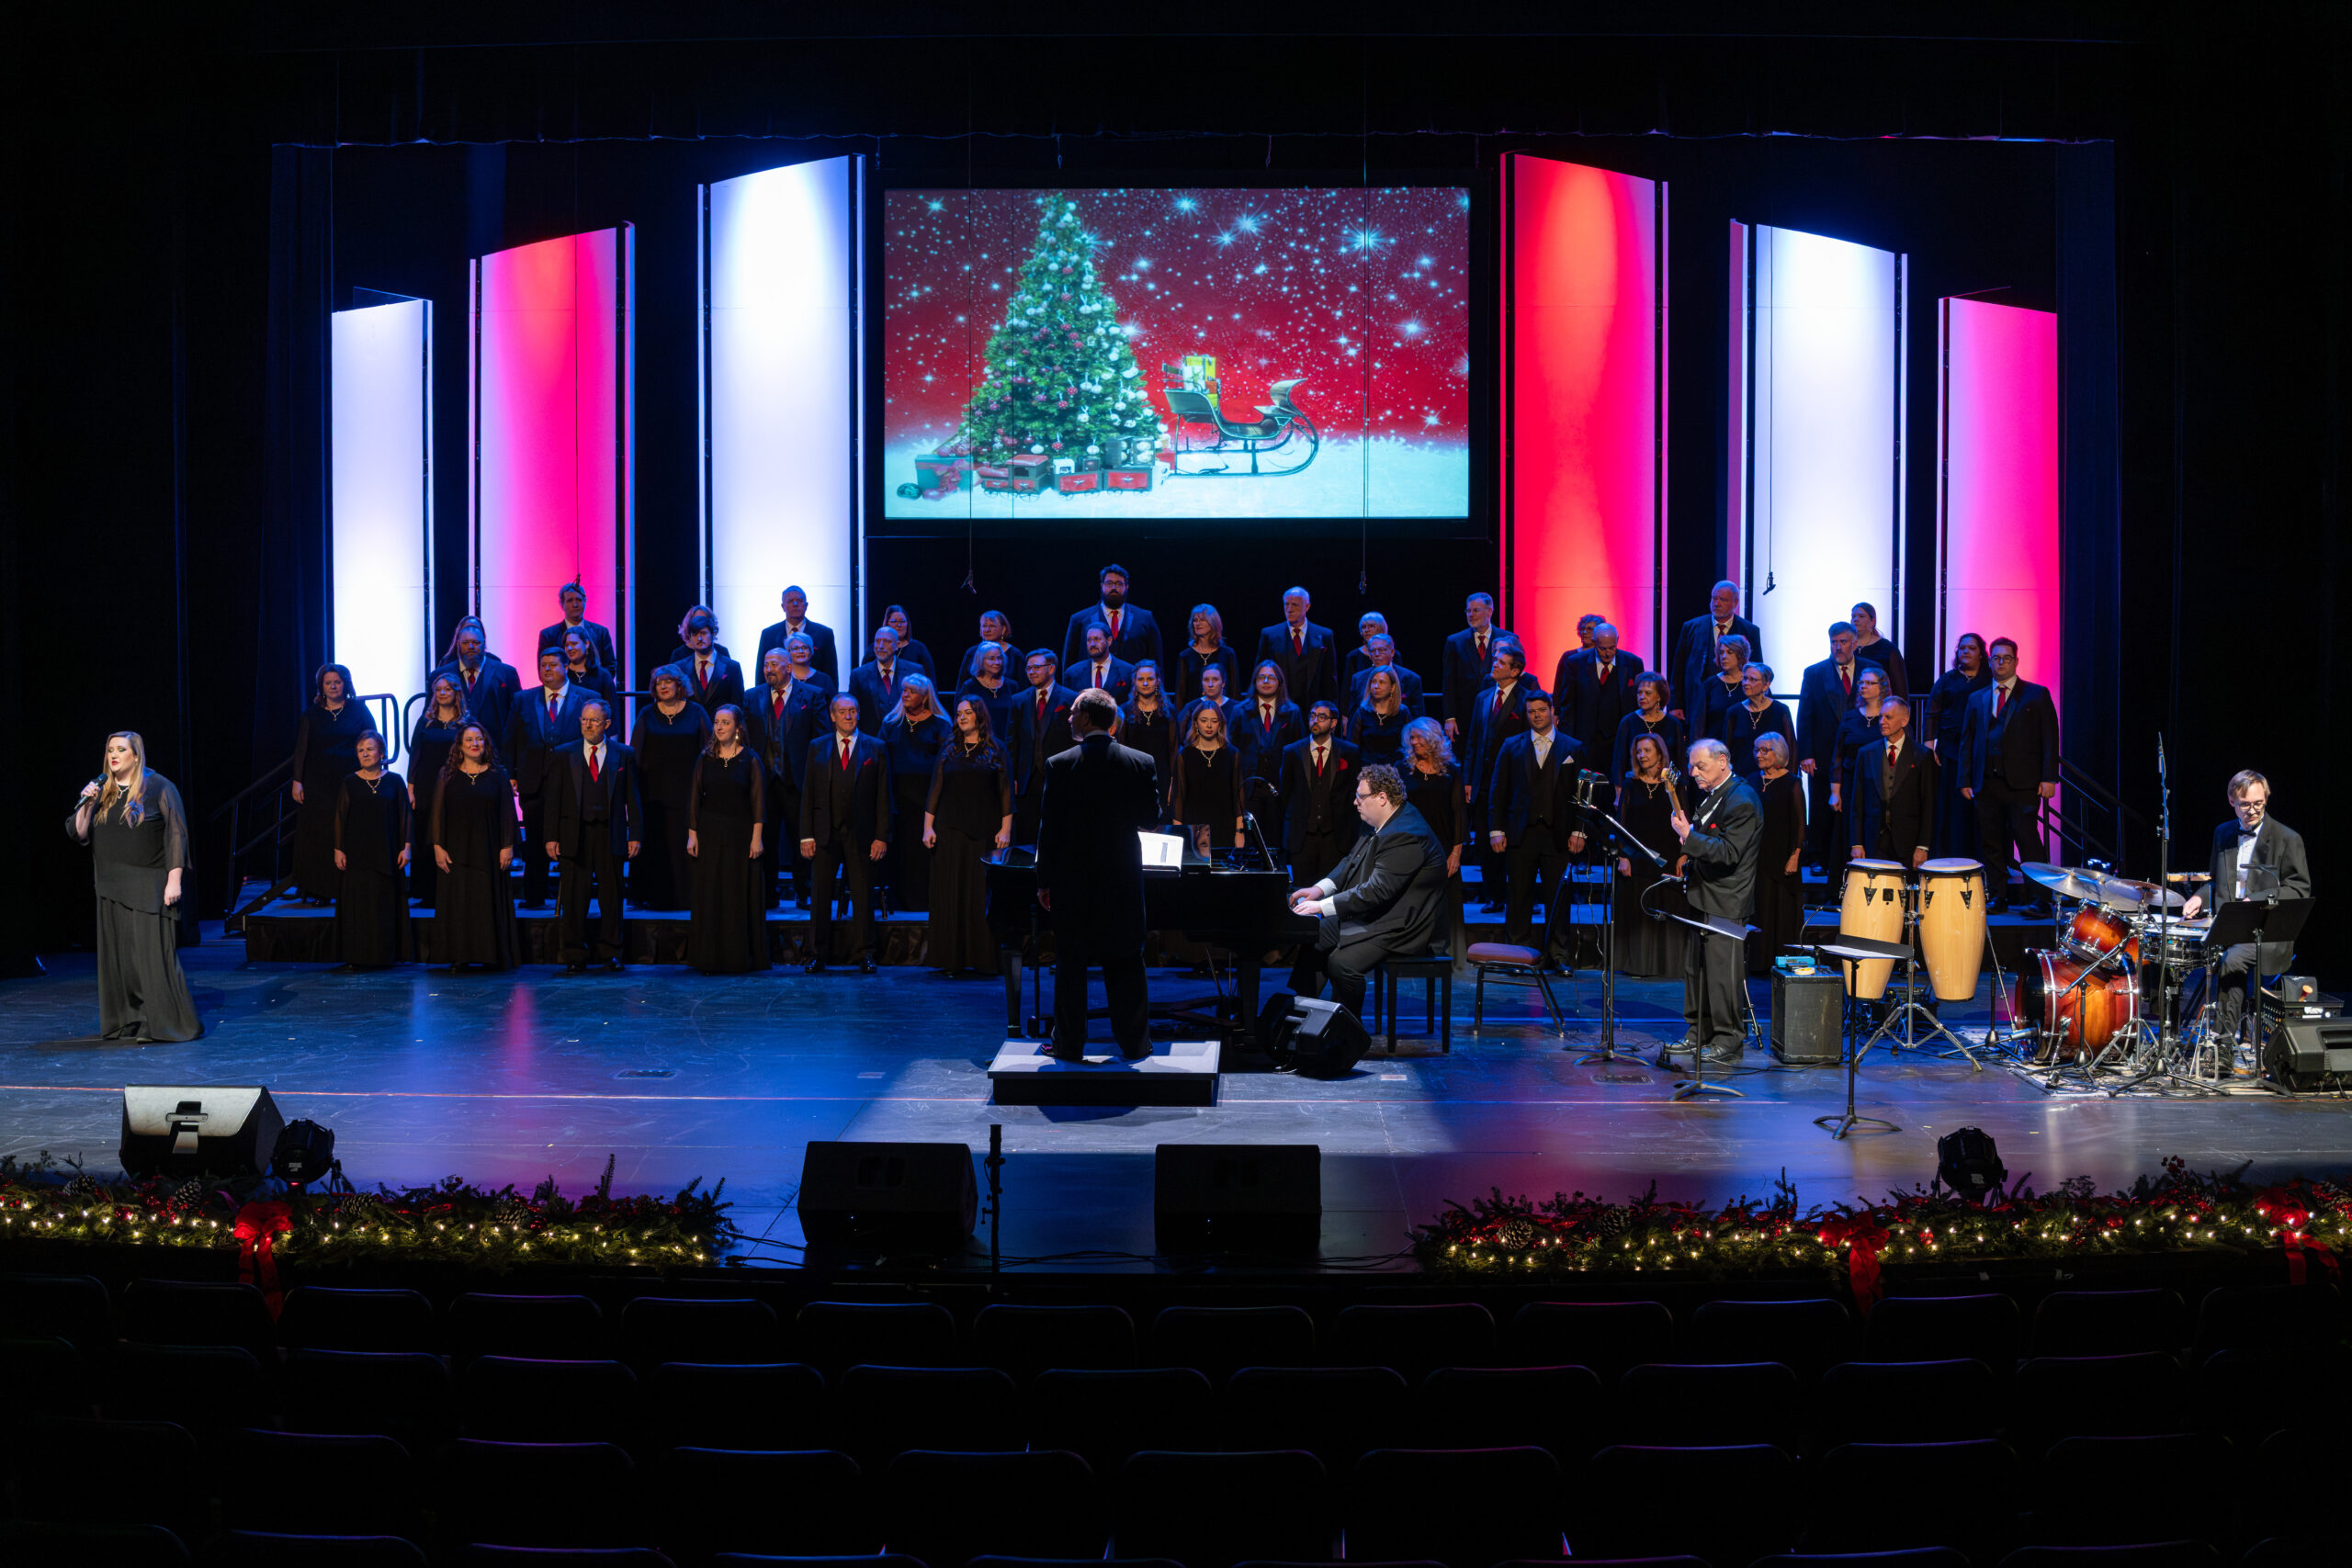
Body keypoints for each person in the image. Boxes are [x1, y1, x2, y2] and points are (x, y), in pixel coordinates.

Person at [1035, 688, 1162, 1059]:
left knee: (1070, 965)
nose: (1069, 717)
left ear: (1087, 718)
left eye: (1073, 712)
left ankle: (1068, 1045)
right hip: (1121, 880)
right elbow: (1150, 819)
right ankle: (1135, 1044)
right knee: (1127, 961)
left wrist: (1044, 881)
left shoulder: (1060, 764)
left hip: (1072, 881)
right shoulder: (1141, 762)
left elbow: (1049, 829)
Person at [1285, 763, 1450, 1015]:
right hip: (1380, 913)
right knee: (1315, 935)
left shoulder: (1406, 834)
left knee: (1341, 964)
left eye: (1360, 796)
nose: (1355, 802)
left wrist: (1321, 907)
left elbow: (1376, 891)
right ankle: (1300, 1011)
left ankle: (1347, 1028)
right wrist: (1319, 890)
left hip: (1403, 926)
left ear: (1382, 798)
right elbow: (1350, 861)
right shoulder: (1381, 822)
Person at [69, 732, 200, 1041]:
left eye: (121, 749)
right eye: (110, 750)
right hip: (109, 886)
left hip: (148, 886)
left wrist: (174, 880)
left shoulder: (159, 787)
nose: (114, 755)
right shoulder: (102, 790)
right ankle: (128, 1019)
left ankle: (167, 1024)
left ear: (136, 755)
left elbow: (177, 834)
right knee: (121, 962)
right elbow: (79, 832)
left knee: (151, 959)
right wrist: (88, 803)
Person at [2181, 770, 2312, 1049]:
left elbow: (2299, 889)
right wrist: (2200, 898)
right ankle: (2173, 1033)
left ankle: (2223, 1046)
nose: (2252, 810)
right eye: (2245, 804)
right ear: (2232, 801)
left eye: (2258, 804)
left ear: (2266, 799)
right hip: (2230, 926)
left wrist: (2258, 899)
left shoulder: (2287, 838)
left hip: (2267, 931)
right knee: (2178, 951)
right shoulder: (2223, 833)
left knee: (2233, 959)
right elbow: (2217, 882)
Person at [1668, 739, 1762, 1066]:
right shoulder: (1713, 794)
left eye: (1701, 766)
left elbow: (1729, 852)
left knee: (1722, 976)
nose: (1694, 772)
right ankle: (1698, 1032)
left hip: (1726, 899)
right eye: (1692, 767)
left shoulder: (1742, 800)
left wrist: (1688, 836)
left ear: (1723, 761)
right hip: (1703, 893)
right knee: (1696, 970)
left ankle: (1728, 1039)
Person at [1956, 637, 2058, 910]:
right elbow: (1967, 740)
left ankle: (2040, 898)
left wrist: (2049, 777)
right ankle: (1997, 896)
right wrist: (1965, 779)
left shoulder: (2036, 694)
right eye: (1996, 658)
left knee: (2027, 838)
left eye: (2007, 658)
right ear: (1989, 661)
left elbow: (2049, 738)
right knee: (1991, 842)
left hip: (2022, 783)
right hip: (1986, 781)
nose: (2001, 662)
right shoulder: (1977, 698)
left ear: (2016, 661)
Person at [1487, 691, 1589, 961]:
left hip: (1559, 834)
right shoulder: (1512, 745)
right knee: (1519, 896)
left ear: (1552, 711)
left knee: (1559, 897)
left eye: (1542, 710)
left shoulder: (1573, 747)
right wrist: (1496, 830)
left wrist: (1579, 830)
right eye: (1532, 711)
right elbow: (1498, 790)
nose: (1537, 716)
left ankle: (1560, 954)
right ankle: (1517, 954)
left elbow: (1583, 794)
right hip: (1521, 833)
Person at [546, 699, 643, 973]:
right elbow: (553, 799)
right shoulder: (564, 753)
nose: (587, 725)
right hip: (574, 833)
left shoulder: (623, 754)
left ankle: (611, 952)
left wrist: (635, 834)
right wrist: (551, 836)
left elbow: (633, 798)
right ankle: (574, 954)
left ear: (607, 724)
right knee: (574, 896)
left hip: (610, 833)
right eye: (584, 720)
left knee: (611, 896)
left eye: (594, 721)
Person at [800, 695, 890, 974]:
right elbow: (808, 794)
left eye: (852, 711)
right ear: (832, 716)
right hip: (825, 832)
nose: (848, 716)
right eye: (842, 712)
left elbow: (884, 797)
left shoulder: (876, 747)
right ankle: (816, 954)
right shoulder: (817, 747)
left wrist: (881, 836)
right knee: (821, 895)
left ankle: (865, 953)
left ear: (858, 714)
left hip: (861, 834)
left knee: (862, 895)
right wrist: (806, 835)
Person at [925, 696, 1014, 976]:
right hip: (949, 829)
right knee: (951, 892)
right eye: (958, 713)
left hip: (984, 831)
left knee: (979, 893)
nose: (961, 717)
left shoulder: (996, 749)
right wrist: (928, 826)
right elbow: (935, 788)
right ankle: (951, 959)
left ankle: (983, 959)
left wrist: (1005, 829)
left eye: (967, 712)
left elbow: (1006, 792)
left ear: (979, 716)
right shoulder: (949, 748)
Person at [428, 721, 519, 971]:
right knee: (459, 901)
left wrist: (507, 845)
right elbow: (437, 812)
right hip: (456, 850)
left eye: (479, 739)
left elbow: (507, 813)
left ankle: (490, 955)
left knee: (487, 901)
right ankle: (460, 955)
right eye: (468, 740)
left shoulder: (497, 774)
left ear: (486, 743)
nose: (474, 744)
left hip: (489, 849)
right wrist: (437, 846)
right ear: (459, 746)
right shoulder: (447, 774)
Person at [504, 647, 590, 908]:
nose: (547, 669)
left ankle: (572, 897)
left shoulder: (587, 698)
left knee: (572, 838)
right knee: (535, 840)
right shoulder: (523, 699)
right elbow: (510, 738)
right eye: (543, 665)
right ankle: (534, 895)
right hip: (533, 780)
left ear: (566, 667)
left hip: (573, 780)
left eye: (552, 664)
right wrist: (511, 774)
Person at [686, 705, 769, 974]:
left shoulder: (750, 760)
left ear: (737, 728)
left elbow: (758, 802)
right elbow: (695, 798)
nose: (719, 727)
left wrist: (756, 838)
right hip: (710, 833)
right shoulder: (705, 758)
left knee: (736, 892)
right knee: (710, 891)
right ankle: (709, 956)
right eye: (716, 722)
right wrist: (692, 834)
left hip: (740, 834)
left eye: (725, 722)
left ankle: (737, 957)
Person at [1797, 622, 1885, 873]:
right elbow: (1805, 715)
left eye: (1843, 642)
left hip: (1862, 749)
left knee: (1861, 805)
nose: (1837, 647)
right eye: (1834, 642)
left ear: (1855, 643)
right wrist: (1806, 754)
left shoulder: (1872, 669)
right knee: (1821, 804)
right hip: (1824, 751)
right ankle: (1819, 857)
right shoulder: (1814, 672)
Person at [746, 645, 829, 908]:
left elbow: (821, 740)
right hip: (764, 782)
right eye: (765, 665)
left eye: (773, 664)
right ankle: (767, 895)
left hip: (797, 781)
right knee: (766, 840)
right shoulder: (752, 697)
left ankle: (805, 893)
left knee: (801, 839)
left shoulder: (812, 695)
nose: (767, 669)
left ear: (789, 667)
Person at [630, 669, 711, 910]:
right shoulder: (646, 714)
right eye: (658, 683)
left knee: (682, 843)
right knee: (658, 843)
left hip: (687, 791)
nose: (663, 687)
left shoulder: (696, 712)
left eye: (668, 682)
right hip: (653, 794)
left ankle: (687, 897)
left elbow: (708, 750)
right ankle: (656, 898)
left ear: (680, 685)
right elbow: (635, 754)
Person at [1465, 641, 1537, 911]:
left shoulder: (1527, 699)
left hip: (1514, 784)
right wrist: (1469, 780)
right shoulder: (1483, 698)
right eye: (1495, 660)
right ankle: (1494, 895)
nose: (1494, 665)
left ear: (1515, 671)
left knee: (1515, 843)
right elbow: (1473, 741)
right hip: (1484, 782)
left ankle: (1519, 898)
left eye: (1501, 662)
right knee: (1485, 842)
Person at [290, 662, 370, 903]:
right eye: (328, 683)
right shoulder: (312, 714)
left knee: (350, 830)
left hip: (351, 780)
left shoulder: (358, 709)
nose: (333, 686)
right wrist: (297, 781)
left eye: (337, 682)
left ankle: (351, 887)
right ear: (321, 686)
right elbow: (302, 749)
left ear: (345, 684)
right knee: (322, 833)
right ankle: (321, 890)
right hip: (318, 783)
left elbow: (372, 740)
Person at [1613, 733, 1690, 979]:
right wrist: (1622, 856)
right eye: (1638, 751)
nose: (1642, 755)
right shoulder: (1630, 784)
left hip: (1668, 857)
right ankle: (1639, 964)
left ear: (1659, 753)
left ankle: (1667, 965)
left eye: (1647, 750)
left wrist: (1684, 855)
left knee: (1666, 908)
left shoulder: (1674, 784)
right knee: (1639, 910)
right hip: (1637, 858)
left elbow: (1685, 821)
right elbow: (1621, 825)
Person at [334, 732, 413, 967]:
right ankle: (357, 956)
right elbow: (340, 816)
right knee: (358, 904)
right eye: (361, 750)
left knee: (384, 903)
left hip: (387, 852)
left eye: (370, 749)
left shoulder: (394, 781)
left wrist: (406, 847)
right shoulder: (350, 782)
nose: (365, 754)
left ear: (381, 753)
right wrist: (339, 848)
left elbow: (406, 815)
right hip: (357, 853)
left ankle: (384, 955)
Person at [881, 673, 953, 914]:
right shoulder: (891, 722)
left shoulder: (940, 724)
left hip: (927, 799)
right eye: (904, 690)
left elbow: (947, 761)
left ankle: (925, 899)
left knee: (922, 850)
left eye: (911, 692)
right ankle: (898, 900)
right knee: (901, 849)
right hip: (897, 798)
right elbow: (881, 758)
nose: (905, 695)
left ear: (924, 697)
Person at [1401, 717, 1471, 962]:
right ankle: (1412, 953)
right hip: (1411, 846)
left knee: (1446, 901)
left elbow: (1459, 813)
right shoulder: (1402, 769)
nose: (1414, 742)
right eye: (1411, 738)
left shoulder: (1451, 771)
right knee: (1413, 899)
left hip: (1443, 845)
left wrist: (1456, 853)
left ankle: (1446, 956)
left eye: (1419, 737)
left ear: (1432, 739)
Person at [1278, 702, 1363, 889]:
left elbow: (1353, 794)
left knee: (1331, 891)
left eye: (1322, 717)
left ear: (1334, 723)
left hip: (1335, 837)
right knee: (1301, 891)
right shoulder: (1292, 751)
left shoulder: (1349, 752)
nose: (1315, 720)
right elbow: (1285, 795)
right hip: (1302, 837)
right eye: (1312, 715)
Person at [1849, 695, 1936, 871]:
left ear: (1904, 720)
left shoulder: (1922, 755)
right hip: (1874, 842)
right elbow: (1857, 803)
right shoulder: (1866, 754)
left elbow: (1929, 805)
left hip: (1907, 844)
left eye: (1888, 717)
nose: (1882, 721)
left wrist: (1923, 846)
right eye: (1881, 716)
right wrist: (1856, 843)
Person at [1926, 632, 1991, 858]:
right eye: (1962, 648)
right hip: (1950, 750)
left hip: (1981, 751)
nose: (1965, 651)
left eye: (1971, 648)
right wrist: (1929, 744)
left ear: (1981, 653)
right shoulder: (1947, 680)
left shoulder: (1989, 679)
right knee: (1951, 805)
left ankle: (1979, 857)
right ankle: (1949, 855)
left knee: (1979, 806)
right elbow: (1932, 712)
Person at [1747, 734, 1808, 975]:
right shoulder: (1751, 780)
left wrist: (1795, 855)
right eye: (1757, 750)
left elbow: (1800, 822)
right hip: (1757, 855)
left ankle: (1781, 962)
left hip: (1783, 856)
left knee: (1781, 909)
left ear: (1779, 753)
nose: (1759, 754)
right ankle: (1758, 962)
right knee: (1760, 908)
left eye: (1765, 750)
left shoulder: (1792, 782)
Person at [408, 675, 469, 909]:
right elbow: (415, 754)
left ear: (456, 692)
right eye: (438, 690)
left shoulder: (466, 723)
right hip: (425, 786)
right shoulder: (425, 722)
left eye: (447, 689)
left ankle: (451, 890)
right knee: (426, 835)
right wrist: (411, 787)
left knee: (452, 835)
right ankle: (427, 892)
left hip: (455, 787)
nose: (442, 693)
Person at [1668, 581, 1763, 726]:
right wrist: (1675, 704)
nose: (1716, 603)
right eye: (1714, 598)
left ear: (1735, 603)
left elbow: (1757, 669)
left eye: (1722, 600)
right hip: (1698, 704)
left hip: (1736, 703)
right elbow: (1678, 669)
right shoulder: (1691, 627)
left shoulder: (1750, 630)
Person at [1828, 668, 1891, 884]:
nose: (1863, 686)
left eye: (1869, 683)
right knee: (1847, 834)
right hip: (1851, 784)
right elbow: (1838, 755)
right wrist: (1835, 791)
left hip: (1879, 786)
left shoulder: (1888, 718)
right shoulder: (1850, 717)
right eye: (1861, 683)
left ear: (1882, 687)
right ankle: (1843, 888)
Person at [1011, 649, 1078, 845]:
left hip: (1059, 777)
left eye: (1036, 667)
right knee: (1026, 835)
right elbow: (1011, 741)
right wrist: (1012, 776)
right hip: (1026, 779)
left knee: (1058, 832)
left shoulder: (1070, 698)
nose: (1031, 672)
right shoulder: (1018, 700)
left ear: (1051, 668)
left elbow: (1076, 740)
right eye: (1028, 668)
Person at [1231, 661, 1305, 823]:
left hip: (1280, 787)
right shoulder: (1240, 711)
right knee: (1251, 834)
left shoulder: (1292, 712)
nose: (1265, 681)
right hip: (1249, 786)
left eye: (1271, 677)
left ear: (1280, 683)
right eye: (1261, 677)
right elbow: (1231, 749)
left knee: (1275, 833)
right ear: (1254, 682)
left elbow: (1300, 751)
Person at [1561, 622, 1643, 765]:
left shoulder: (1633, 663)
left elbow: (1638, 705)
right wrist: (1567, 743)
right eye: (1602, 648)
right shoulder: (1575, 663)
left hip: (1621, 740)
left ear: (1617, 640)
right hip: (1587, 740)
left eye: (1612, 648)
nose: (1608, 653)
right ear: (1594, 642)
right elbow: (1568, 707)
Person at [1170, 700, 1246, 855]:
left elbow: (1238, 796)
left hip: (1225, 824)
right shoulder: (1184, 755)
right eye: (1204, 720)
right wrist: (1179, 833)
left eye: (1214, 721)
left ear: (1220, 724)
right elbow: (1179, 797)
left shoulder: (1232, 754)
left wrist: (1240, 831)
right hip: (1195, 825)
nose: (1209, 726)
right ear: (1196, 723)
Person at [1060, 563, 1163, 671]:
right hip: (1092, 681)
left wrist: (1157, 683)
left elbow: (1156, 662)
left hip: (1133, 681)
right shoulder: (1080, 619)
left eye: (1119, 584)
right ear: (1101, 585)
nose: (1114, 588)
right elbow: (1068, 665)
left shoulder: (1144, 618)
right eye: (1109, 583)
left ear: (1127, 587)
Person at [433, 617, 521, 743]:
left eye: (475, 642)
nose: (470, 646)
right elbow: (430, 717)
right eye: (465, 642)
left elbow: (517, 716)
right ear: (458, 643)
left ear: (484, 642)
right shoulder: (441, 673)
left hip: (495, 747)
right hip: (452, 747)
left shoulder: (506, 673)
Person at [1441, 593, 1511, 742]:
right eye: (1468, 611)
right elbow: (1449, 682)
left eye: (1476, 610)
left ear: (1489, 611)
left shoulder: (1508, 639)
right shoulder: (1455, 642)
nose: (1471, 615)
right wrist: (1450, 718)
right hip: (1465, 718)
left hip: (1499, 714)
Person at [1255, 586, 1339, 709]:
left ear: (1307, 607)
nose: (1289, 609)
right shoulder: (1270, 635)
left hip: (1313, 709)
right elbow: (1259, 674)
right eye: (1286, 604)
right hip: (1280, 707)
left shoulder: (1324, 635)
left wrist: (1332, 709)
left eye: (1295, 605)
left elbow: (1329, 678)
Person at [1724, 663, 1796, 788]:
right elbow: (1725, 750)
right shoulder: (1734, 712)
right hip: (1741, 782)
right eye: (1745, 678)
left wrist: (1790, 780)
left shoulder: (1781, 710)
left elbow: (1791, 748)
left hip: (1774, 780)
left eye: (1752, 679)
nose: (1746, 683)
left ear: (1766, 685)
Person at [1119, 662, 1177, 818]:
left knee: (1161, 821)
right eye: (1141, 679)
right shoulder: (1125, 710)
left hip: (1162, 777)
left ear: (1158, 681)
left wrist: (1173, 780)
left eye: (1150, 679)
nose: (1145, 683)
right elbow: (1121, 747)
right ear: (1134, 681)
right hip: (1134, 776)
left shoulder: (1168, 711)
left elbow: (1173, 748)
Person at [1611, 672, 1687, 786]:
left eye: (1648, 693)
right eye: (1639, 692)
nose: (1642, 697)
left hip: (1666, 788)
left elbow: (1680, 762)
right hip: (1634, 787)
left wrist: (1681, 790)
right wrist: (1619, 792)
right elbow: (1618, 764)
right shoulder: (1628, 722)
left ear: (1659, 696)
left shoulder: (1673, 724)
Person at [667, 609, 745, 716]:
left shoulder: (732, 667)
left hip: (721, 725)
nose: (699, 638)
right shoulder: (679, 667)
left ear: (713, 634)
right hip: (690, 725)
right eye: (694, 634)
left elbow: (737, 706)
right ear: (689, 637)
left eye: (703, 633)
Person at [757, 585, 840, 686]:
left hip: (816, 692)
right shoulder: (769, 634)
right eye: (790, 601)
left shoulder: (825, 634)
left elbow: (831, 672)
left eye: (799, 600)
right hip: (776, 692)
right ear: (783, 606)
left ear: (806, 605)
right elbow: (761, 673)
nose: (795, 604)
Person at [537, 580, 617, 671]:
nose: (575, 605)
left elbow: (610, 666)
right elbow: (544, 671)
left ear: (585, 601)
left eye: (579, 600)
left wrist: (598, 680)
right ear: (561, 604)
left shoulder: (601, 633)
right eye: (570, 601)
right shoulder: (548, 635)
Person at [560, 627, 622, 740]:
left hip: (595, 739)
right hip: (566, 740)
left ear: (587, 644)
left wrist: (611, 745)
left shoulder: (603, 676)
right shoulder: (563, 676)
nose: (569, 648)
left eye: (574, 643)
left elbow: (613, 713)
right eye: (566, 645)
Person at [849, 625, 910, 737]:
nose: (880, 646)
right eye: (877, 641)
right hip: (872, 741)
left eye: (886, 641)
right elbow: (853, 711)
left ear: (897, 645)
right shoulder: (858, 675)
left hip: (907, 739)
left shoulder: (913, 671)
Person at [1345, 634, 1425, 716]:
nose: (1377, 654)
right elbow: (1353, 715)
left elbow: (1418, 717)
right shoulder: (1358, 679)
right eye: (1373, 651)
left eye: (1381, 650)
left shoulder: (1411, 679)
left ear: (1392, 652)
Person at [1175, 604, 1239, 705]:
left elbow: (1235, 689)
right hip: (1194, 711)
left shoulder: (1227, 654)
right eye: (1195, 620)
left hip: (1222, 711)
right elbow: (1180, 693)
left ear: (1213, 622)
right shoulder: (1186, 656)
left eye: (1202, 620)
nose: (1198, 623)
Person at [1695, 635, 1751, 745]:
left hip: (1745, 747)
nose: (1724, 657)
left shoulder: (1751, 683)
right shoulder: (1710, 684)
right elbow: (1698, 723)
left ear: (1740, 655)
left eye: (1730, 652)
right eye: (1721, 653)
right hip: (1714, 748)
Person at [1350, 668, 1411, 766]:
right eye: (1373, 682)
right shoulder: (1362, 712)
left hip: (1395, 769)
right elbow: (1353, 745)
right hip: (1366, 768)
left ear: (1392, 688)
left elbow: (1408, 745)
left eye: (1382, 682)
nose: (1376, 686)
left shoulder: (1403, 712)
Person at [1849, 602, 1909, 704]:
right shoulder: (1845, 647)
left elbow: (1900, 689)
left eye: (1861, 616)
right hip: (1851, 708)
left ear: (1872, 621)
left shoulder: (1888, 649)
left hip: (1880, 707)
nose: (1855, 619)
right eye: (1853, 616)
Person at [1070, 623, 1137, 705]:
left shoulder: (1128, 672)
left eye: (1097, 639)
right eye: (1089, 640)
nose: (1092, 644)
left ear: (1109, 641)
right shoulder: (1073, 673)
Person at [1176, 662, 1237, 750]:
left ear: (1223, 683)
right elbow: (1177, 738)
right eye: (1206, 680)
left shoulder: (1236, 708)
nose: (1210, 684)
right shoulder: (1191, 707)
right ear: (1202, 683)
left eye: (1215, 679)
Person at [956, 611, 1014, 686]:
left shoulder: (1015, 655)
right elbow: (962, 684)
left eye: (992, 626)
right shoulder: (971, 652)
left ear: (1003, 629)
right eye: (984, 626)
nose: (987, 630)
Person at [666, 604, 734, 667]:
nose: (700, 624)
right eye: (696, 620)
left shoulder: (722, 651)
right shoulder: (679, 654)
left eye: (704, 621)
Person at [882, 605, 936, 681]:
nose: (899, 625)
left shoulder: (919, 648)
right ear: (887, 623)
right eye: (894, 621)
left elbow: (931, 680)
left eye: (903, 621)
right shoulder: (877, 648)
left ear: (907, 624)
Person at [1342, 611, 1390, 687]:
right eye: (1363, 627)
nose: (1367, 630)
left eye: (1371, 626)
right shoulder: (1353, 656)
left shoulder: (1392, 654)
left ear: (1381, 628)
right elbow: (1347, 687)